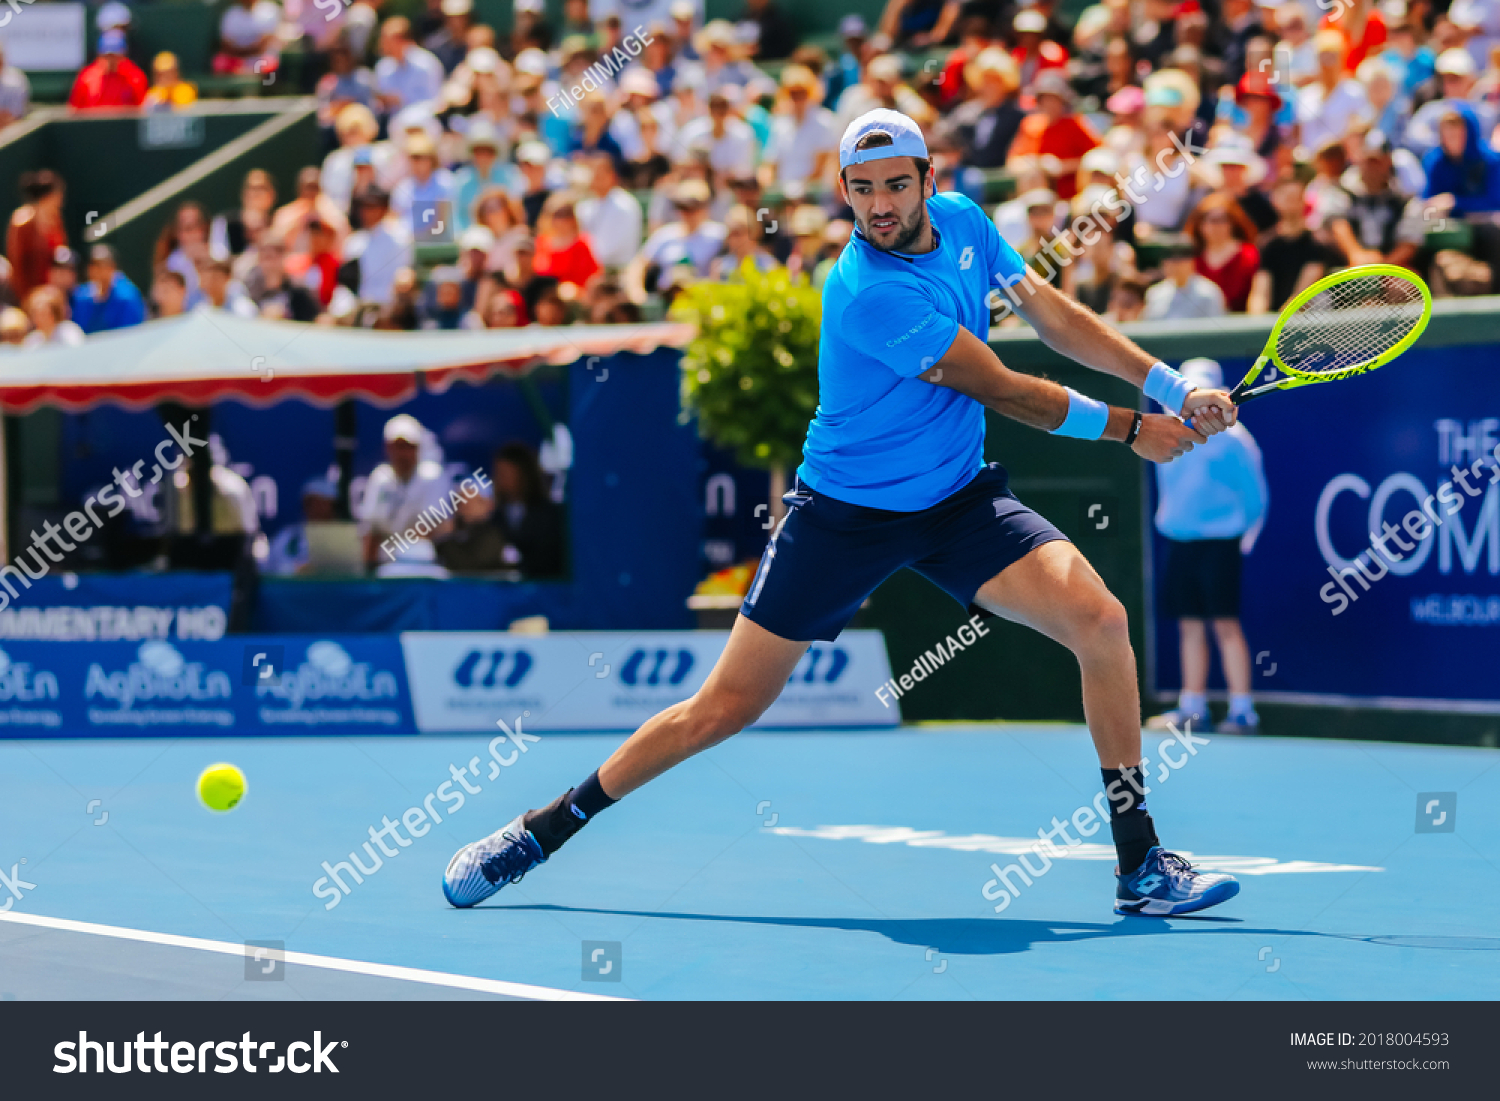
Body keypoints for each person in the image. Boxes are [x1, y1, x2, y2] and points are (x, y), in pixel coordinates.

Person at [444, 108, 1244, 919]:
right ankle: (543, 828)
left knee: (1101, 624)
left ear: (931, 180)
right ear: (845, 195)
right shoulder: (865, 291)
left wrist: (1172, 387)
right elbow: (1001, 386)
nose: (880, 204)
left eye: (896, 184)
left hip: (958, 501)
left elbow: (1052, 314)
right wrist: (1133, 427)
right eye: (862, 191)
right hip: (843, 517)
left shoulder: (966, 222)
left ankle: (1139, 861)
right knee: (720, 711)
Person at [1147, 358, 1267, 735]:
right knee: (1190, 625)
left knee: (1225, 624)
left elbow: (1255, 496)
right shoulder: (1166, 429)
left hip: (1221, 543)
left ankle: (1243, 711)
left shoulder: (1236, 440)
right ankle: (1193, 708)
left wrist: (1244, 536)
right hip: (1180, 540)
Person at [356, 413, 455, 573]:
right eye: (399, 447)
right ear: (388, 448)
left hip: (425, 565)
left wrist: (397, 549)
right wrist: (367, 571)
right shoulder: (380, 478)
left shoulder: (432, 476)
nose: (404, 454)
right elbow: (371, 530)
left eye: (409, 447)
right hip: (385, 568)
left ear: (418, 448)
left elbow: (431, 527)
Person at [1247, 178, 1334, 314]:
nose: (1291, 202)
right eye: (1287, 197)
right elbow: (1260, 292)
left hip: (1308, 322)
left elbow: (1302, 297)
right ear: (1274, 201)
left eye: (1296, 198)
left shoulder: (1318, 242)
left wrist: (1280, 324)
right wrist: (1257, 323)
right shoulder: (1266, 243)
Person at [1184, 192, 1260, 313]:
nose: (1216, 226)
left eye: (1222, 220)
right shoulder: (1190, 258)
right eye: (1210, 220)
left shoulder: (1249, 255)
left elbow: (1257, 295)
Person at [7, 171, 67, 305]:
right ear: (48, 196)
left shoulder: (56, 219)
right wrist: (26, 299)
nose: (61, 199)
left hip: (54, 294)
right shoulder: (21, 223)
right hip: (30, 296)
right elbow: (17, 265)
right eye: (58, 194)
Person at [1143, 235, 1226, 320]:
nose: (1174, 265)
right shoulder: (1155, 294)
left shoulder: (1208, 294)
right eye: (1170, 259)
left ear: (1191, 262)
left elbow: (1215, 330)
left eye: (1179, 260)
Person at [264, 478, 338, 575]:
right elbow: (267, 568)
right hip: (291, 589)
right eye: (315, 504)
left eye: (325, 504)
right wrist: (296, 569)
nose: (319, 510)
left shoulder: (342, 539)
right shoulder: (288, 536)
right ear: (305, 506)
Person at [71, 245, 146, 333]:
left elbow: (129, 334)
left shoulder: (127, 298)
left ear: (112, 267)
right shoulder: (81, 297)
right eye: (92, 265)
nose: (96, 270)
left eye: (101, 265)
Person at [68, 30, 147, 109]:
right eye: (107, 56)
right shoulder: (87, 77)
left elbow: (142, 109)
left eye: (115, 56)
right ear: (99, 55)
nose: (111, 60)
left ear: (124, 54)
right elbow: (74, 109)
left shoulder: (135, 78)